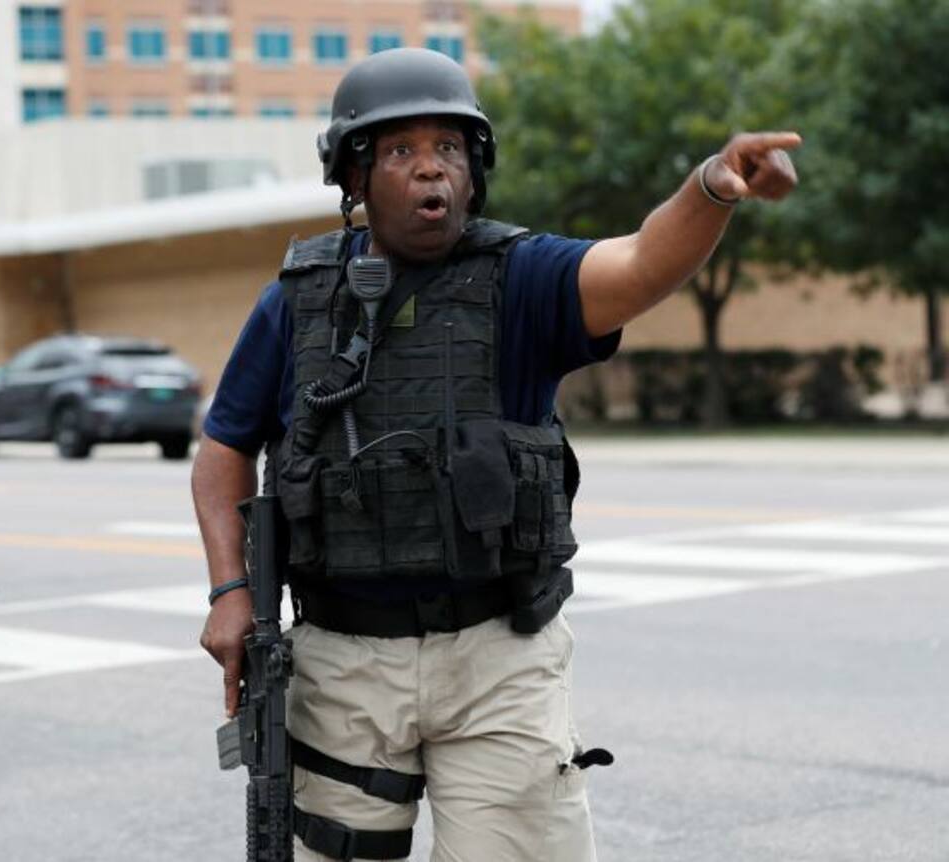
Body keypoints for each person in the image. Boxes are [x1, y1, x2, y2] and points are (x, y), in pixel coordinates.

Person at [194, 48, 799, 861]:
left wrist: (712, 188)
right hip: (342, 660)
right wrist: (230, 591)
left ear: (474, 170)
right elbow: (224, 447)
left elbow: (641, 262)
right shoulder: (297, 302)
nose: (430, 169)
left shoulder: (523, 278)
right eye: (401, 150)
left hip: (498, 660)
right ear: (355, 176)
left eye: (448, 147)